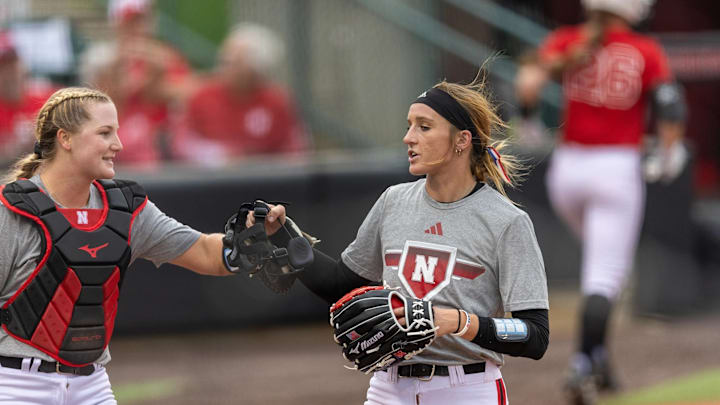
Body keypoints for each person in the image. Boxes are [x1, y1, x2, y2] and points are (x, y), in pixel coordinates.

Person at [252, 74, 550, 404]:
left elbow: (534, 334)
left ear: (461, 140)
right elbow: (344, 285)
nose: (408, 137)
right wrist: (282, 236)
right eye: (409, 125)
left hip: (466, 389)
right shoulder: (394, 201)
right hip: (388, 388)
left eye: (424, 127)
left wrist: (458, 321)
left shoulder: (506, 221)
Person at [0, 87, 283, 404]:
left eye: (116, 132)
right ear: (65, 139)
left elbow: (205, 252)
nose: (118, 144)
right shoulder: (12, 211)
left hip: (91, 385)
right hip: (15, 384)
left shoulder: (124, 208)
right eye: (105, 133)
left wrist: (251, 237)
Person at [513, 0, 687, 404]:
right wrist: (669, 151)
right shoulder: (644, 49)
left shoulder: (567, 39)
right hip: (615, 168)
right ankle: (583, 367)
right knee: (605, 277)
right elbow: (670, 105)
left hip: (568, 170)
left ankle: (601, 357)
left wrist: (528, 120)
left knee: (603, 270)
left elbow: (528, 82)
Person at [173, 23, 308, 164]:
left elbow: (295, 150)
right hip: (211, 179)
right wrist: (217, 155)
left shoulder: (278, 101)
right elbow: (181, 143)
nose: (225, 66)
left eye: (234, 62)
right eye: (224, 60)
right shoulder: (201, 96)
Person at [0, 30, 57, 165]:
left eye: (12, 64)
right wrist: (14, 149)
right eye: (2, 68)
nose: (9, 73)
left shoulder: (49, 98)